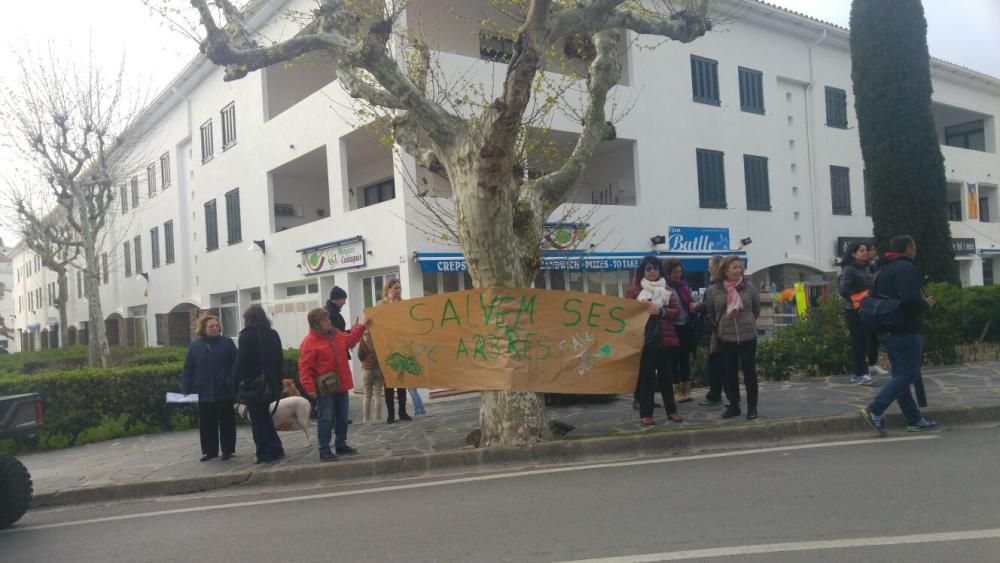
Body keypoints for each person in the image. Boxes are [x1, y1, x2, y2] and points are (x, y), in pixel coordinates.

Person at [860, 235, 939, 434]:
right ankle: (875, 409)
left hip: (885, 328)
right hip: (904, 328)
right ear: (908, 249)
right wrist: (925, 304)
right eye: (914, 248)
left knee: (900, 374)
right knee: (907, 374)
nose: (915, 252)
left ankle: (914, 419)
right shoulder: (905, 268)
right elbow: (911, 300)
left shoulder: (882, 268)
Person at [298, 308, 366, 461]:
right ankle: (324, 449)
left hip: (340, 383)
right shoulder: (309, 342)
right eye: (325, 320)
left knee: (342, 416)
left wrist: (361, 327)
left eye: (328, 319)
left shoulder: (336, 334)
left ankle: (341, 444)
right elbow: (304, 367)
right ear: (317, 324)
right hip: (324, 387)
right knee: (326, 418)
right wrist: (309, 387)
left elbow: (349, 340)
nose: (329, 322)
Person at [626, 256, 683, 425]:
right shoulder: (635, 291)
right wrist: (640, 308)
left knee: (667, 377)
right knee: (646, 379)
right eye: (649, 268)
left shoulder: (666, 289)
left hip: (664, 340)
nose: (652, 272)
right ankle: (646, 413)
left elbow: (677, 311)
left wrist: (661, 311)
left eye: (655, 268)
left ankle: (672, 411)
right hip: (644, 341)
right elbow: (627, 313)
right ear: (643, 270)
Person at [705, 256, 761, 420]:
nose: (738, 270)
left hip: (747, 337)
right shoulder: (714, 290)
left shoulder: (749, 288)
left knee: (749, 373)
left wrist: (748, 323)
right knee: (729, 374)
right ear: (725, 271)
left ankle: (752, 407)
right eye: (734, 267)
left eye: (739, 267)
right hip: (727, 338)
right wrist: (722, 327)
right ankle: (734, 406)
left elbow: (756, 310)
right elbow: (711, 313)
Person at [181, 315, 238, 462]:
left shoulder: (227, 343)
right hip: (204, 391)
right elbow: (188, 369)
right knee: (207, 423)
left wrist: (230, 379)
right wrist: (186, 389)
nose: (215, 328)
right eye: (211, 326)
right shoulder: (195, 346)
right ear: (204, 329)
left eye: (217, 326)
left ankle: (227, 449)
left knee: (227, 421)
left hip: (224, 390)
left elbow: (236, 364)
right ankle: (210, 451)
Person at [235, 305, 285, 464]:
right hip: (270, 383)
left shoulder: (246, 336)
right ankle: (277, 448)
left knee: (257, 418)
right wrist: (277, 382)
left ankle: (264, 452)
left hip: (254, 384)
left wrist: (234, 382)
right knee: (265, 416)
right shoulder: (273, 334)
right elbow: (279, 359)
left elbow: (241, 363)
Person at [838, 242, 878, 386]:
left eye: (866, 250)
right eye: (862, 250)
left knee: (862, 342)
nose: (865, 252)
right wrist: (859, 299)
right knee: (859, 342)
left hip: (866, 308)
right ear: (854, 253)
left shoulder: (868, 268)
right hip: (853, 310)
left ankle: (856, 373)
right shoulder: (849, 269)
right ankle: (862, 373)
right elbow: (843, 290)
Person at [379, 279, 414, 423]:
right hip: (387, 349)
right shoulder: (382, 306)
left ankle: (402, 412)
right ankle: (391, 414)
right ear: (388, 290)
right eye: (395, 288)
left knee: (401, 382)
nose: (397, 290)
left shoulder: (404, 305)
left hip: (402, 348)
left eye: (399, 288)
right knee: (389, 383)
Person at [694, 255, 725, 406]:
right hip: (712, 329)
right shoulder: (713, 284)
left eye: (710, 266)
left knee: (718, 362)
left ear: (718, 266)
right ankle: (715, 392)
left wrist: (698, 307)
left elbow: (712, 306)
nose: (708, 269)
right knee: (714, 362)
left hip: (718, 329)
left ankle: (716, 393)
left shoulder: (720, 285)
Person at [664, 259, 695, 403]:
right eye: (675, 272)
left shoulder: (684, 286)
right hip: (672, 327)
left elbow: (688, 301)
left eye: (680, 272)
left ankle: (686, 391)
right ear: (668, 273)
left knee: (685, 359)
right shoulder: (664, 288)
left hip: (686, 326)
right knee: (673, 361)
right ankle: (677, 392)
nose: (678, 275)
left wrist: (694, 307)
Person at [357, 328, 385, 424]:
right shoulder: (379, 337)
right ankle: (377, 418)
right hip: (378, 369)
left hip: (366, 369)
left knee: (367, 395)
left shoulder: (363, 339)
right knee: (377, 395)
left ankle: (366, 419)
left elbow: (360, 356)